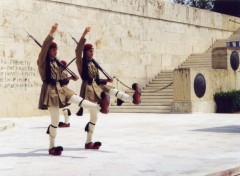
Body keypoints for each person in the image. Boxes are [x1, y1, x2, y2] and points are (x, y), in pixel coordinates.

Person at [37, 23, 110, 156]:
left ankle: (101, 107)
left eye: (56, 50)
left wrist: (70, 78)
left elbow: (61, 77)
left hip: (61, 89)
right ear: (48, 51)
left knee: (78, 99)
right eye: (53, 50)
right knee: (54, 121)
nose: (55, 51)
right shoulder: (42, 62)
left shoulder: (55, 63)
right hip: (50, 91)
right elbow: (44, 49)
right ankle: (52, 147)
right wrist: (51, 33)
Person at [75, 27, 142, 150]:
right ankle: (88, 142)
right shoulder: (81, 62)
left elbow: (97, 78)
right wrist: (84, 35)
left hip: (98, 86)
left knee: (113, 90)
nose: (92, 53)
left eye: (93, 51)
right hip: (89, 89)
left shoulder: (93, 63)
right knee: (94, 117)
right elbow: (78, 50)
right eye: (90, 51)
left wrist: (107, 80)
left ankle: (133, 98)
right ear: (86, 52)